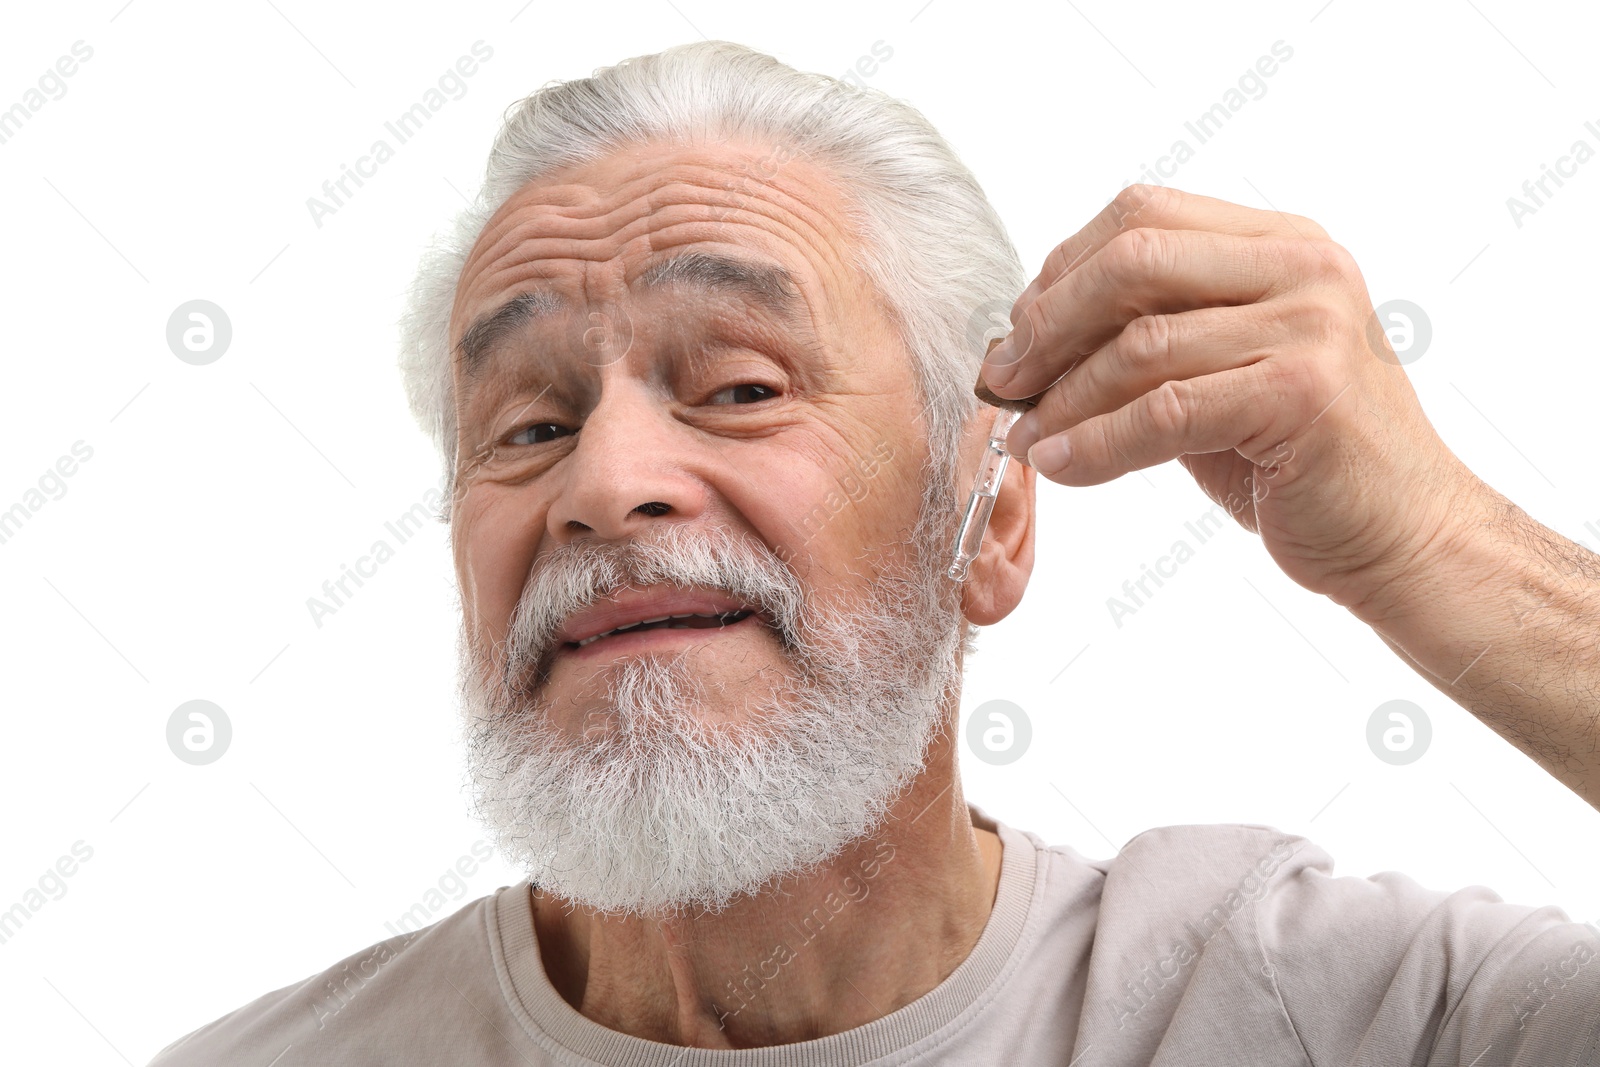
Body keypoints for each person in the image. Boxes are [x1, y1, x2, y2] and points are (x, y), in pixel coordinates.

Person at [148, 40, 1600, 1066]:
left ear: (992, 521)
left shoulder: (1323, 1013)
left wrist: (1433, 542)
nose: (604, 483)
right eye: (526, 425)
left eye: (738, 388)